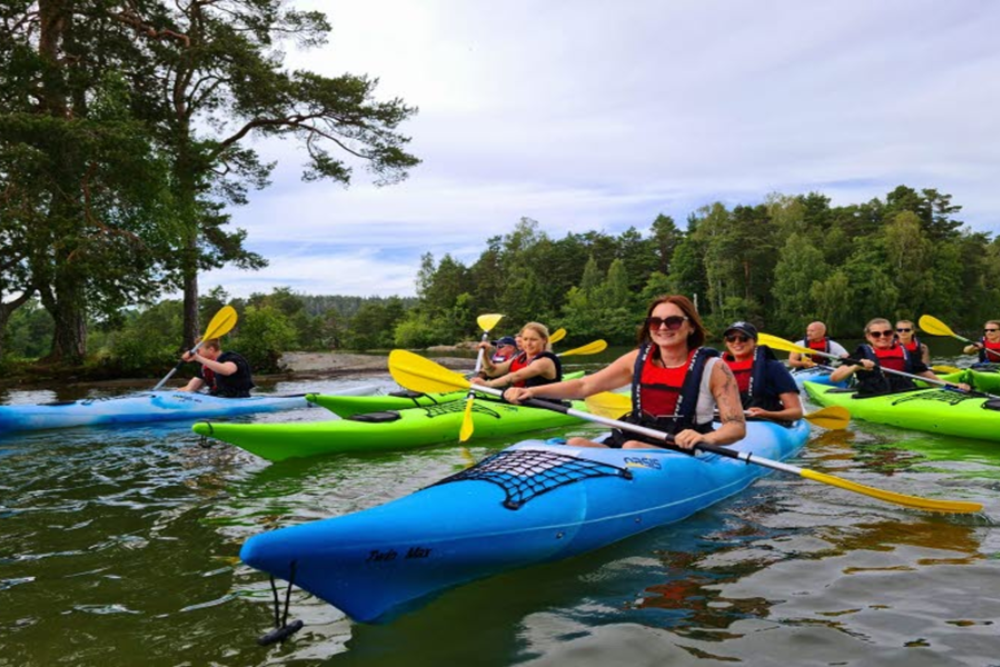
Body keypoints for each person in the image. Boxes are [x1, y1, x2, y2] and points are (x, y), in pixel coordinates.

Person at [504, 295, 745, 450]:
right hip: (634, 434)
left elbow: (735, 426)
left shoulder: (714, 367)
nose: (662, 328)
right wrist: (530, 391)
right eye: (655, 322)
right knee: (577, 442)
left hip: (680, 444)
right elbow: (584, 386)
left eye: (673, 321)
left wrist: (706, 439)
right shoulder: (636, 359)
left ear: (690, 326)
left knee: (633, 448)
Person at [829, 318, 967, 396]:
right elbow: (835, 377)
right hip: (873, 396)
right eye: (876, 334)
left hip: (907, 394)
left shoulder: (906, 353)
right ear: (868, 337)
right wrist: (856, 365)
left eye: (887, 333)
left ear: (893, 334)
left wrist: (955, 386)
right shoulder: (861, 354)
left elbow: (931, 380)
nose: (882, 337)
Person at [721, 321, 804, 423]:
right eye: (731, 338)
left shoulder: (774, 368)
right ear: (726, 342)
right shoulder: (717, 368)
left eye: (744, 338)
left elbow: (796, 412)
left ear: (754, 342)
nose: (737, 342)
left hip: (764, 423)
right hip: (724, 422)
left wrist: (767, 414)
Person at [473, 322, 562, 389]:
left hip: (543, 406)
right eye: (525, 339)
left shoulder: (545, 361)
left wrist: (487, 385)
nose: (528, 343)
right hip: (521, 402)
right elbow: (492, 372)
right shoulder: (519, 358)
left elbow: (517, 376)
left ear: (544, 340)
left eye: (533, 339)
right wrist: (484, 355)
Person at [178, 338, 255, 398]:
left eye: (198, 350)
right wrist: (171, 395)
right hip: (216, 397)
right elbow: (189, 388)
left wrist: (198, 358)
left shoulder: (232, 358)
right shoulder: (206, 366)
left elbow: (227, 370)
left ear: (211, 349)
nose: (196, 353)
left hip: (237, 399)